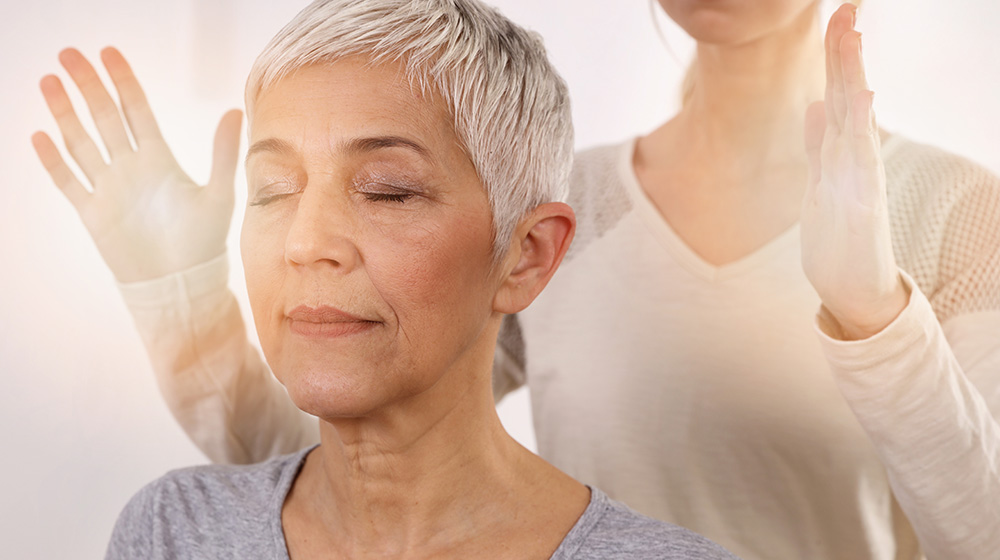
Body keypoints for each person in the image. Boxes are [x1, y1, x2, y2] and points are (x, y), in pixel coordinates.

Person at [33, 0, 1000, 559]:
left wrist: (873, 316)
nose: (312, 237)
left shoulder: (950, 211)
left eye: (387, 189)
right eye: (275, 190)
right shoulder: (567, 194)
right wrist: (186, 296)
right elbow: (370, 436)